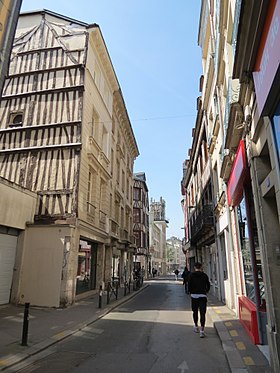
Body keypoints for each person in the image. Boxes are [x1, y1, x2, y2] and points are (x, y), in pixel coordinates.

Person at [188, 262, 210, 338]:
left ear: (194, 267)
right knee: (202, 313)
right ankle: (202, 331)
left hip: (194, 296)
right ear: (201, 267)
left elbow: (189, 285)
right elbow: (208, 285)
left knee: (195, 312)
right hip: (202, 296)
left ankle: (196, 326)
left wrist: (190, 292)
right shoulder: (204, 275)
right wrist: (205, 291)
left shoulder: (191, 275)